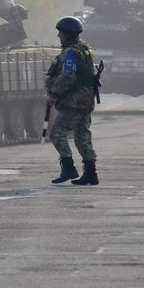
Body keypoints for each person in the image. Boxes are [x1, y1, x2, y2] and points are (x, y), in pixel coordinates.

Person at [45, 16, 99, 185]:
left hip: (73, 101)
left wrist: (53, 94)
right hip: (85, 100)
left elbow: (68, 76)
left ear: (67, 34)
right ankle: (91, 174)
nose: (58, 36)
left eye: (60, 33)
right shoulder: (85, 50)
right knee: (82, 137)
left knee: (56, 133)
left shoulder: (71, 53)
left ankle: (69, 168)